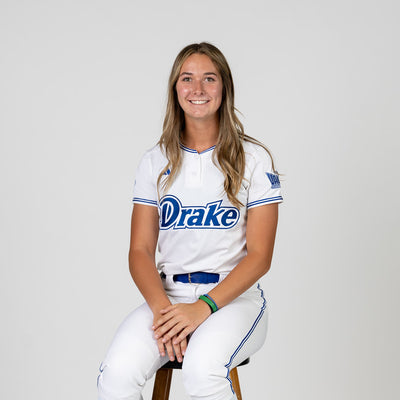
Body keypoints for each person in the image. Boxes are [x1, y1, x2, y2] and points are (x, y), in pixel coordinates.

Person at [97, 42, 283, 400]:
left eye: (209, 79)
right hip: (168, 297)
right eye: (187, 79)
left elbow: (260, 256)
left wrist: (203, 308)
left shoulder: (254, 159)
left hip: (233, 300)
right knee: (116, 377)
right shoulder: (155, 160)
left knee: (202, 372)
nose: (198, 89)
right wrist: (163, 313)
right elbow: (139, 250)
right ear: (175, 89)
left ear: (225, 87)